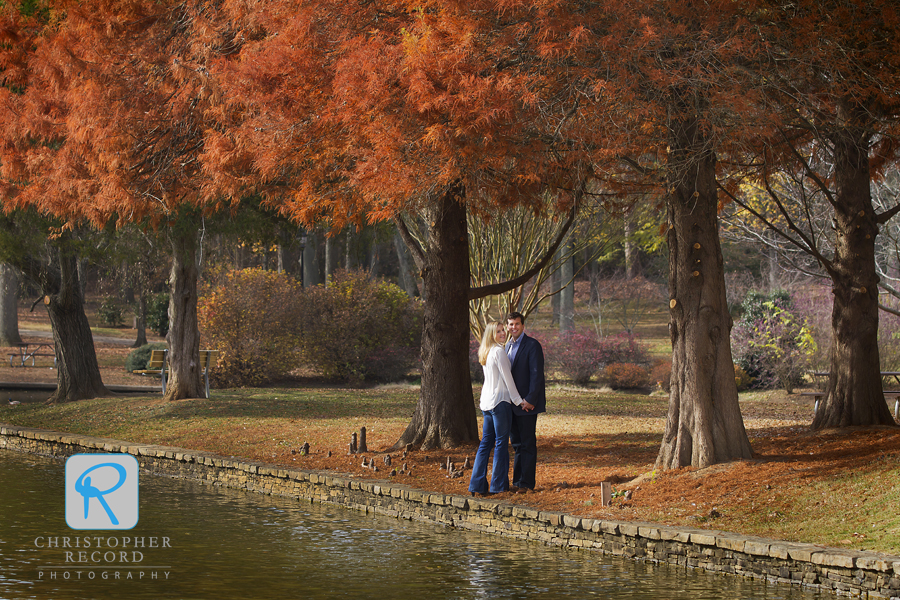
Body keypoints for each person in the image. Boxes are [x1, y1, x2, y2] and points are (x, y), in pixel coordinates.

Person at [469, 321, 534, 496]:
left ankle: (476, 485)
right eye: (498, 332)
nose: (503, 333)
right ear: (491, 334)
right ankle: (498, 486)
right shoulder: (498, 351)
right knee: (500, 443)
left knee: (485, 444)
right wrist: (519, 401)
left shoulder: (485, 351)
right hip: (500, 402)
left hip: (486, 403)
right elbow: (508, 380)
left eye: (502, 330)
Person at [505, 311, 546, 493]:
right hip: (512, 405)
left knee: (528, 444)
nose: (514, 327)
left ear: (523, 326)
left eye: (517, 324)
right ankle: (517, 482)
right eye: (511, 324)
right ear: (508, 326)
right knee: (517, 445)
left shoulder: (532, 345)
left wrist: (530, 399)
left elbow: (537, 375)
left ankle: (527, 483)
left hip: (527, 404)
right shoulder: (506, 347)